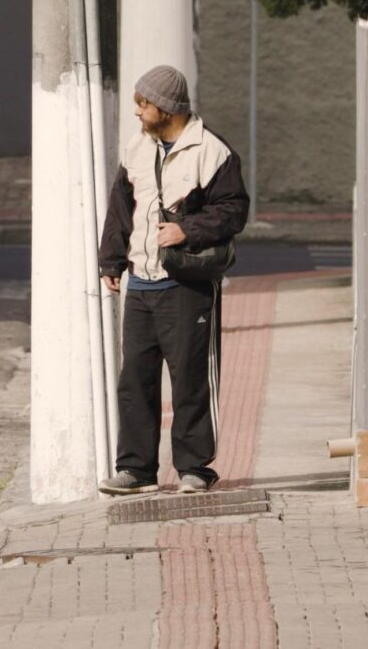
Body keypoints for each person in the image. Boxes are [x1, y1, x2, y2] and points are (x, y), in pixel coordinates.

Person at [97, 65, 249, 495]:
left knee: (189, 380)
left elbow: (234, 210)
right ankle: (136, 470)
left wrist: (188, 230)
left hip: (186, 284)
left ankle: (195, 469)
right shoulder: (137, 146)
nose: (137, 111)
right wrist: (111, 261)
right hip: (141, 283)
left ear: (165, 107)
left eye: (142, 104)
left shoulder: (212, 151)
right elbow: (120, 207)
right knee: (136, 382)